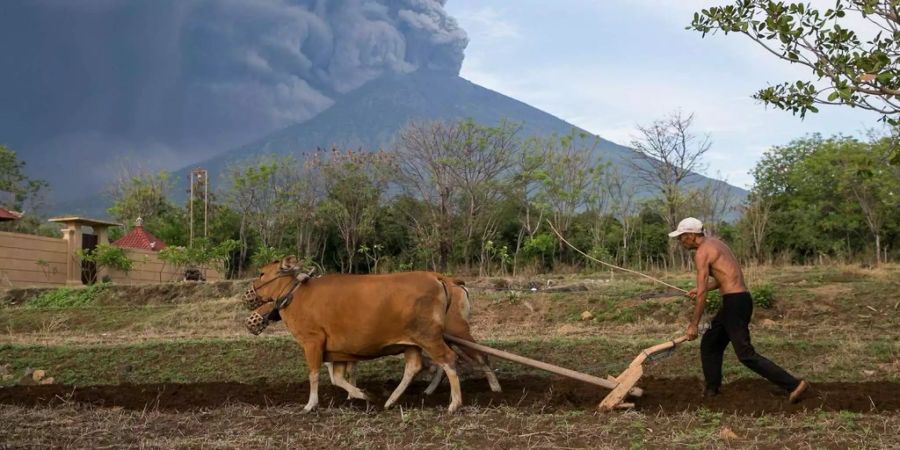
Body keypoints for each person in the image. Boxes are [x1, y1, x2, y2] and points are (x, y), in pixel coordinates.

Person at [670, 217, 808, 402]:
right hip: (737, 301)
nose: (680, 241)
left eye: (681, 237)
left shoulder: (702, 253)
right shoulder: (717, 244)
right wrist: (703, 289)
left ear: (691, 235)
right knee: (710, 343)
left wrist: (693, 324)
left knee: (745, 354)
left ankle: (794, 384)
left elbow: (702, 295)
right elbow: (726, 277)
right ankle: (712, 391)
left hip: (735, 303)